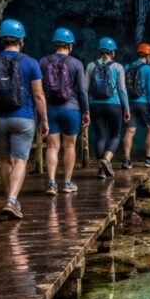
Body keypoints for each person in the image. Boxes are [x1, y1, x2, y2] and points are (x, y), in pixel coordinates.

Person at [0, 19, 49, 220]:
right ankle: (11, 200)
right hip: (23, 118)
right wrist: (44, 119)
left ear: (1, 39)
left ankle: (11, 200)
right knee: (20, 160)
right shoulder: (31, 63)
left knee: (5, 160)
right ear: (21, 40)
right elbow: (38, 95)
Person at [38, 27, 89, 195]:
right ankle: (67, 182)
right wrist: (86, 111)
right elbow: (82, 91)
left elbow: (39, 90)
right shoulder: (76, 63)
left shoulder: (43, 62)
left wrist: (40, 114)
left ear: (55, 44)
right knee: (69, 145)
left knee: (52, 146)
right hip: (71, 109)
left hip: (50, 110)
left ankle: (51, 183)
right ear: (70, 45)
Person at [85, 38, 130, 178]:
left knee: (100, 137)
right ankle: (107, 159)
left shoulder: (91, 66)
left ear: (99, 50)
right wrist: (127, 108)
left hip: (95, 105)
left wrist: (86, 109)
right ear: (113, 52)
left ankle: (101, 170)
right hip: (113, 105)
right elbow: (122, 89)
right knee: (115, 135)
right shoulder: (118, 67)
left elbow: (85, 89)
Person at [121, 42, 150, 169]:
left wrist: (124, 105)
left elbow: (122, 87)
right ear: (148, 56)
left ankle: (126, 160)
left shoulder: (127, 67)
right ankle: (148, 159)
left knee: (130, 131)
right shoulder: (149, 69)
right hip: (144, 104)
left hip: (130, 103)